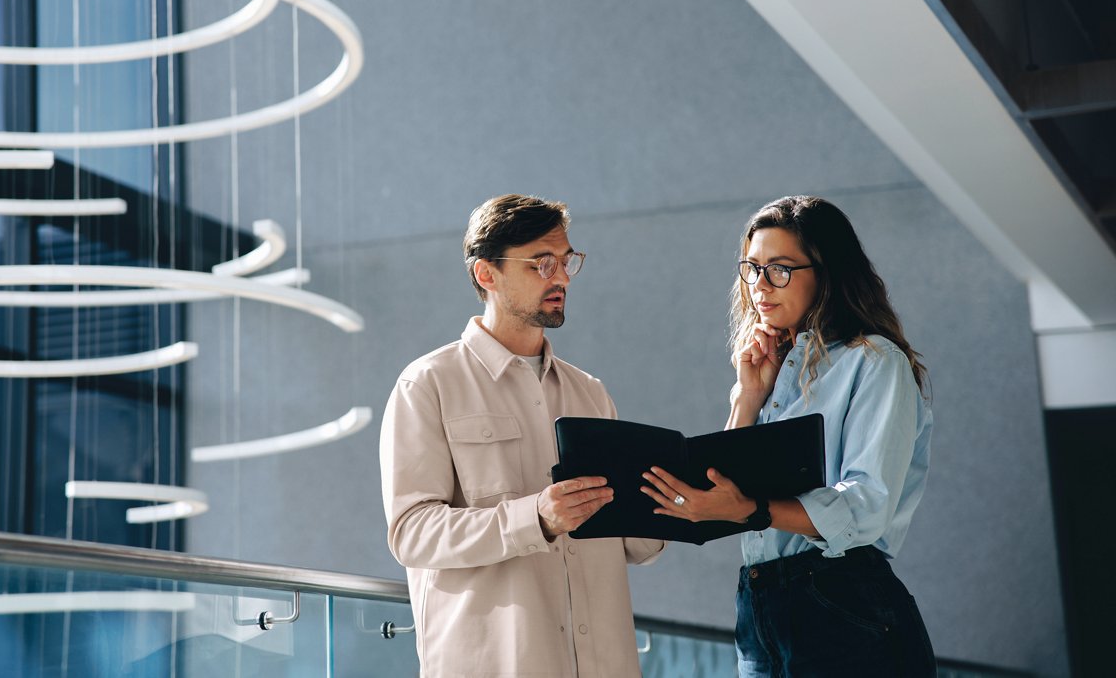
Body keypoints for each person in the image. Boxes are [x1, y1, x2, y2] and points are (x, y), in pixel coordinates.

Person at [641, 195, 935, 677]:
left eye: (779, 269)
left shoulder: (874, 362)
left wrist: (753, 511)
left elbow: (866, 506)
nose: (759, 286)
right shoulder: (772, 370)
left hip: (841, 599)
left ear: (825, 272)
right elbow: (728, 490)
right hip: (759, 603)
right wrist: (747, 397)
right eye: (751, 268)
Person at [380, 193, 664, 677]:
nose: (561, 277)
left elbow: (637, 546)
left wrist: (665, 505)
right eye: (542, 263)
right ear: (486, 274)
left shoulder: (590, 393)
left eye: (567, 260)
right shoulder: (427, 384)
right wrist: (535, 517)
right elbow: (412, 534)